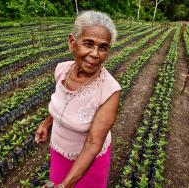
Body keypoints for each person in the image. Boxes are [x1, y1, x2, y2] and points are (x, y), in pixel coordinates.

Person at [34, 10, 121, 188]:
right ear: (72, 43)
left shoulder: (109, 91)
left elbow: (93, 143)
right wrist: (46, 123)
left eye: (103, 47)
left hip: (89, 162)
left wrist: (65, 185)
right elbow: (64, 103)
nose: (95, 54)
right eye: (88, 43)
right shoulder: (61, 70)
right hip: (59, 151)